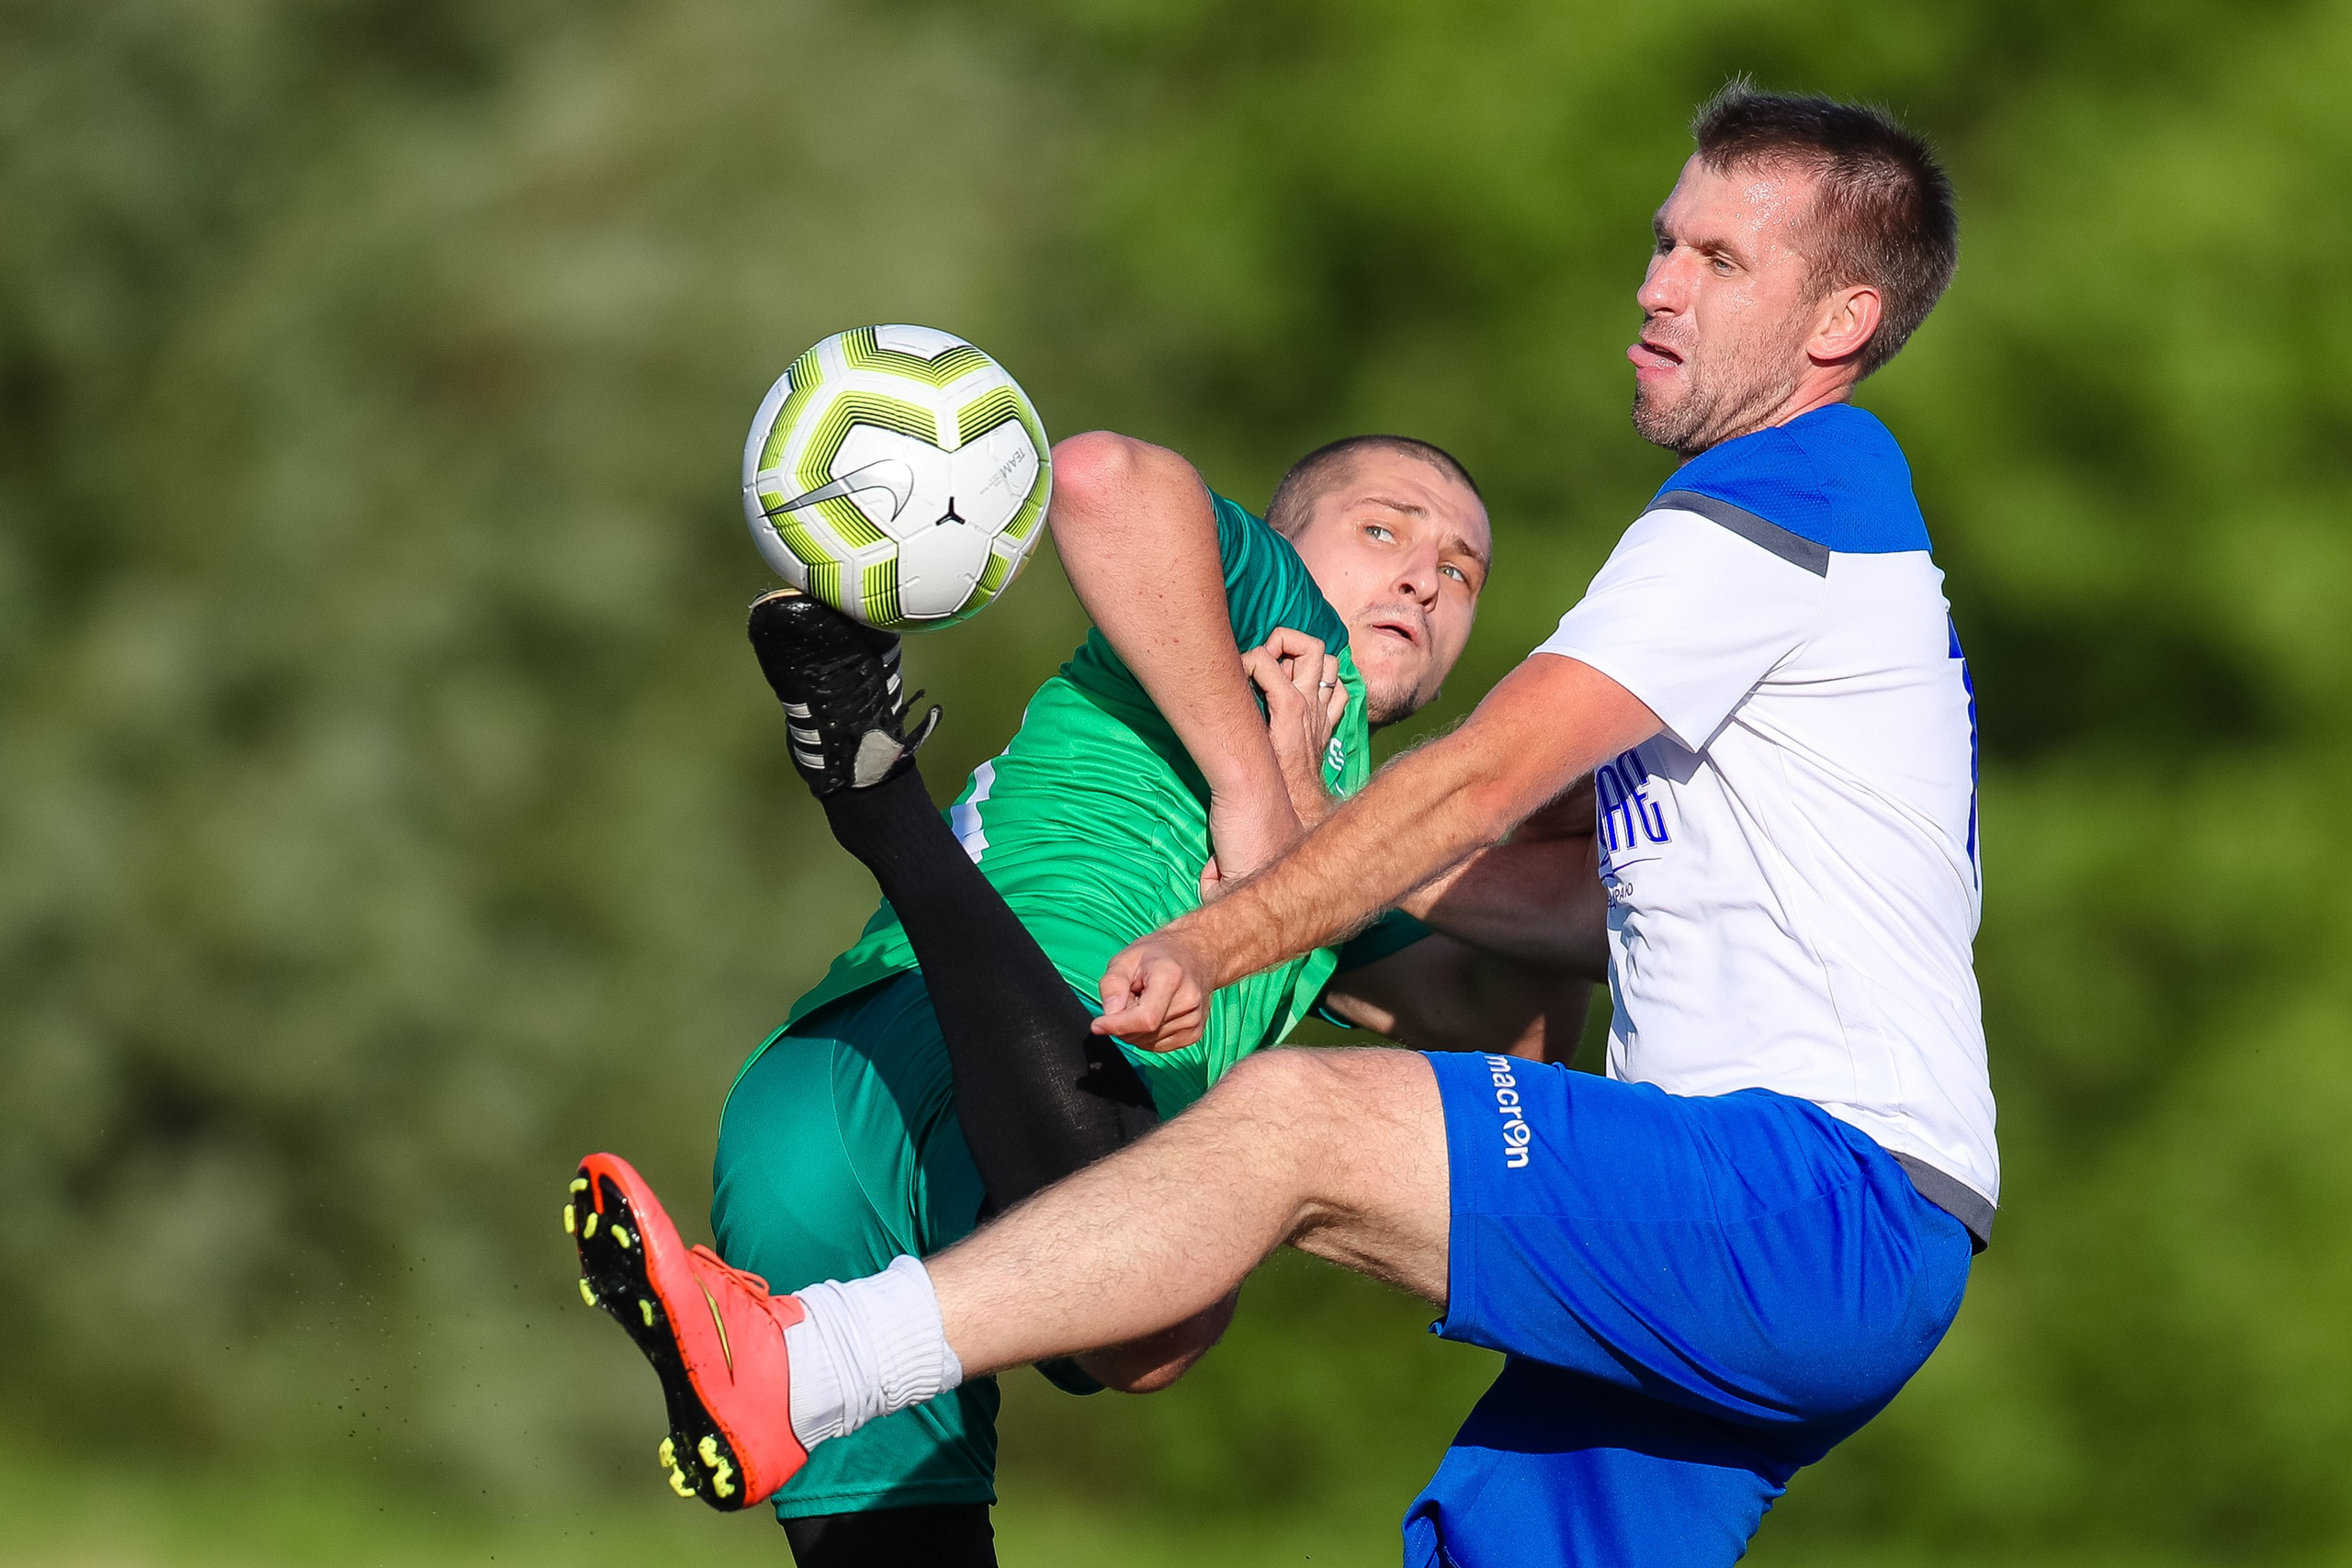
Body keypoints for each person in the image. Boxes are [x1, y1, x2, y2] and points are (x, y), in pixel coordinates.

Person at [568, 84, 1992, 1567]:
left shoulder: (1789, 487)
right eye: (1664, 243)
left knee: (1280, 1134)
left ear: (1840, 322)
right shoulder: (1286, 619)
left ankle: (804, 1361)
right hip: (1781, 1218)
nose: (1656, 285)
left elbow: (1483, 822)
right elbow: (1572, 911)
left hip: (1810, 1192)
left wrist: (1240, 916)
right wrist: (1292, 805)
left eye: (1719, 260)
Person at [604, 429, 1592, 1565]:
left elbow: (1509, 1030)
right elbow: (1099, 479)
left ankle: (881, 803)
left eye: (1462, 572)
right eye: (1383, 530)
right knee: (1162, 1306)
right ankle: (881, 807)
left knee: (1133, 1342)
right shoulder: (1281, 626)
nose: (1424, 576)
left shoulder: (1338, 845)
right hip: (998, 1043)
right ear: (1283, 544)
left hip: (825, 1106)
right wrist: (1248, 786)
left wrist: (1554, 803)